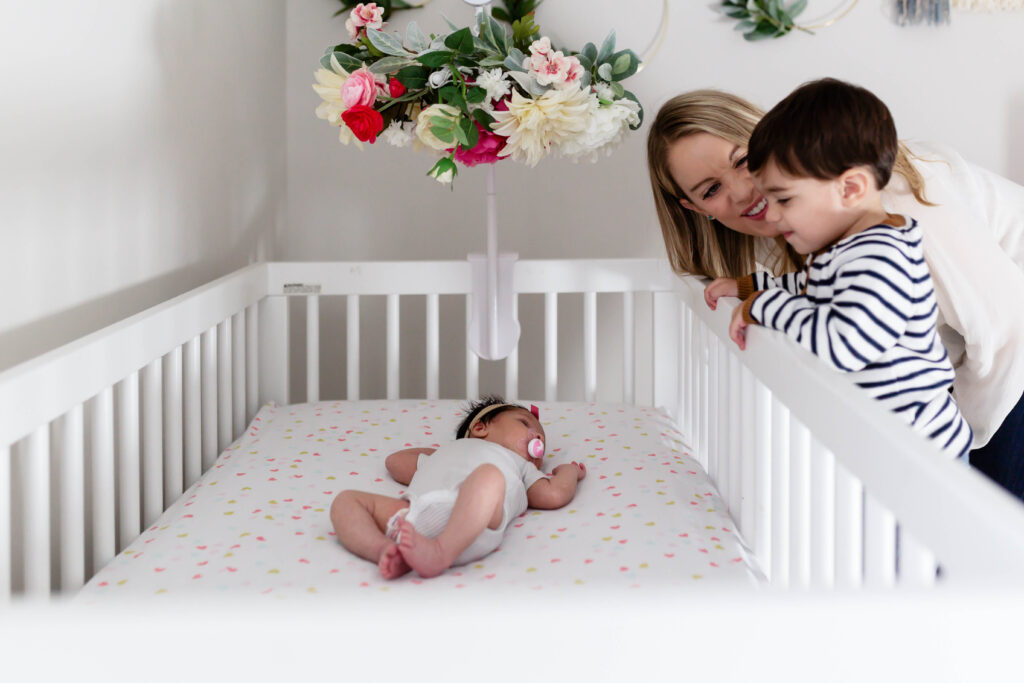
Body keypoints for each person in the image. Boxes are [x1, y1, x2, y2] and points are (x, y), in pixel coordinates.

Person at [646, 88, 1024, 494]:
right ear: (696, 209)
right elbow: (818, 290)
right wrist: (751, 288)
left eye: (743, 160)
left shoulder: (885, 207)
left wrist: (958, 448)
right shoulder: (797, 225)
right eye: (710, 190)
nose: (742, 192)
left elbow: (1008, 332)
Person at [704, 78, 971, 458]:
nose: (773, 215)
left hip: (920, 450)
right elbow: (811, 287)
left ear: (850, 189)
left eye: (783, 199)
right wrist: (748, 287)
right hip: (886, 445)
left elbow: (845, 343)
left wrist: (763, 306)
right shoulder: (848, 250)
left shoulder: (882, 258)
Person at [329, 397, 587, 579]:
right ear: (480, 427)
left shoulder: (521, 466)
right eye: (525, 423)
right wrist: (444, 452)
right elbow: (395, 463)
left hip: (475, 522)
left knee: (489, 476)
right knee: (346, 500)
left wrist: (569, 472)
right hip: (415, 513)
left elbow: (553, 493)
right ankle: (385, 551)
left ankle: (441, 552)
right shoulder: (443, 453)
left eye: (543, 438)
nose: (539, 438)